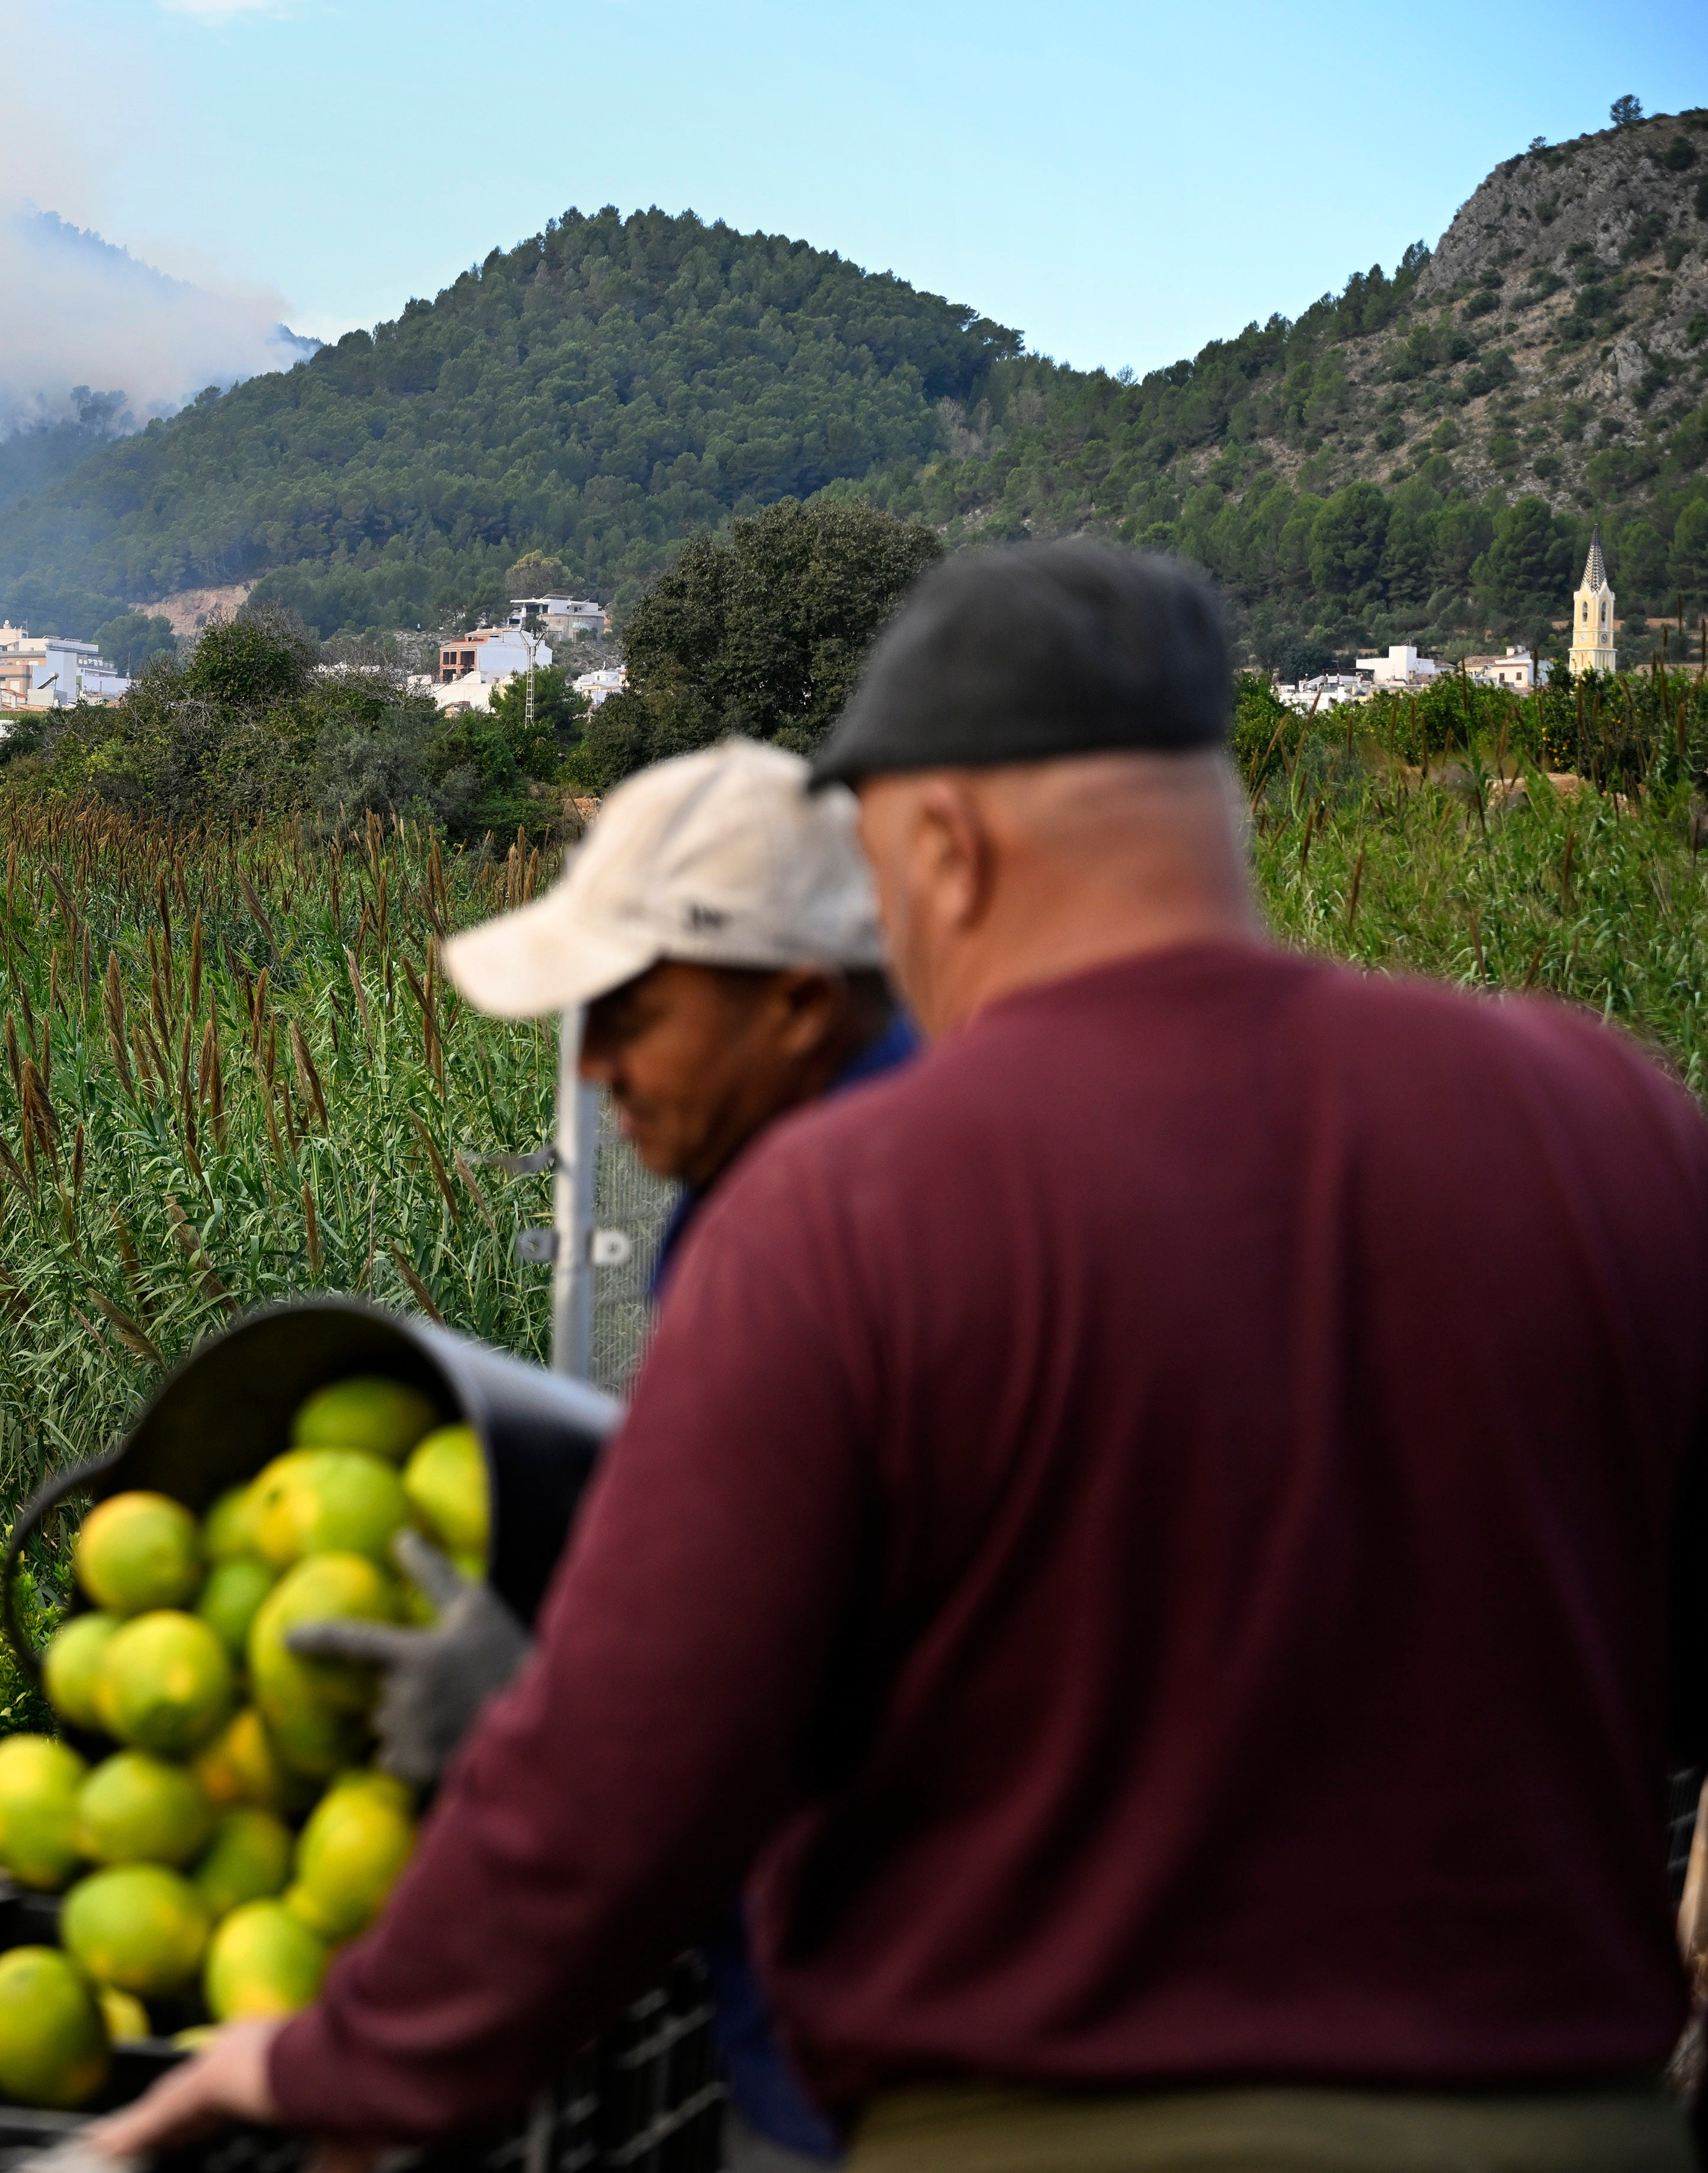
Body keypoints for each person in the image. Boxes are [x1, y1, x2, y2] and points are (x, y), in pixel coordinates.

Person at [95, 543, 1708, 2171]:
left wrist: (343, 2064)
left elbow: (625, 1777)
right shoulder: (1607, 1117)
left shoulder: (847, 1208)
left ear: (939, 841)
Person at [288, 733, 913, 2168]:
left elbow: (735, 1715)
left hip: (893, 2072)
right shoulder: (755, 1185)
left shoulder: (829, 1231)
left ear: (800, 1002)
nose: (592, 1063)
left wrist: (529, 1722)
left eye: (628, 1011)